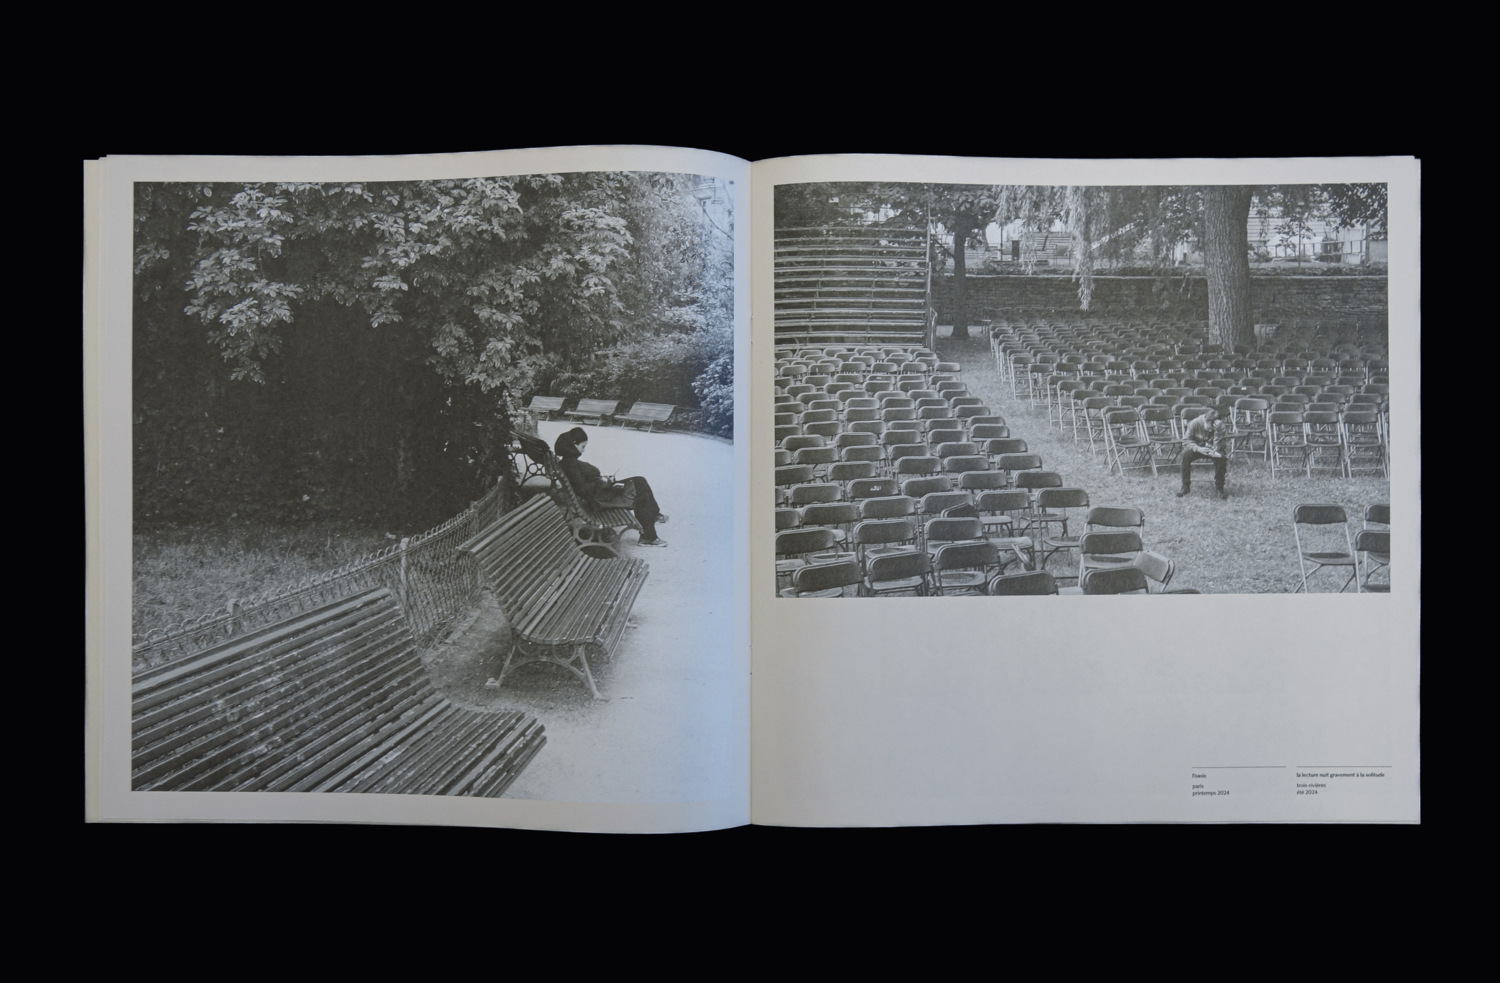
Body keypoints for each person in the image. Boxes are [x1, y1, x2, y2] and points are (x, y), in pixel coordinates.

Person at [553, 427, 670, 546]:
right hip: (599, 500)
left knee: (639, 481)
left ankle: (653, 516)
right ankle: (649, 535)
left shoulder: (567, 462)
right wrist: (605, 482)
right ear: (574, 444)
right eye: (582, 447)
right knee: (640, 488)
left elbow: (583, 484)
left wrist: (604, 481)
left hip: (600, 494)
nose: (583, 451)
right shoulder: (571, 465)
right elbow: (583, 490)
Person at [1178, 407, 1230, 499]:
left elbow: (1219, 447)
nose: (1210, 431)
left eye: (1212, 430)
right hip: (1197, 447)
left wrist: (1218, 432)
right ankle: (1185, 486)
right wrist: (1198, 448)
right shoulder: (1194, 423)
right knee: (1185, 455)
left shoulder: (1220, 427)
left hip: (1213, 449)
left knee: (1222, 458)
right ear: (1205, 421)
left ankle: (1220, 488)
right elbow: (1186, 441)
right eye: (1209, 428)